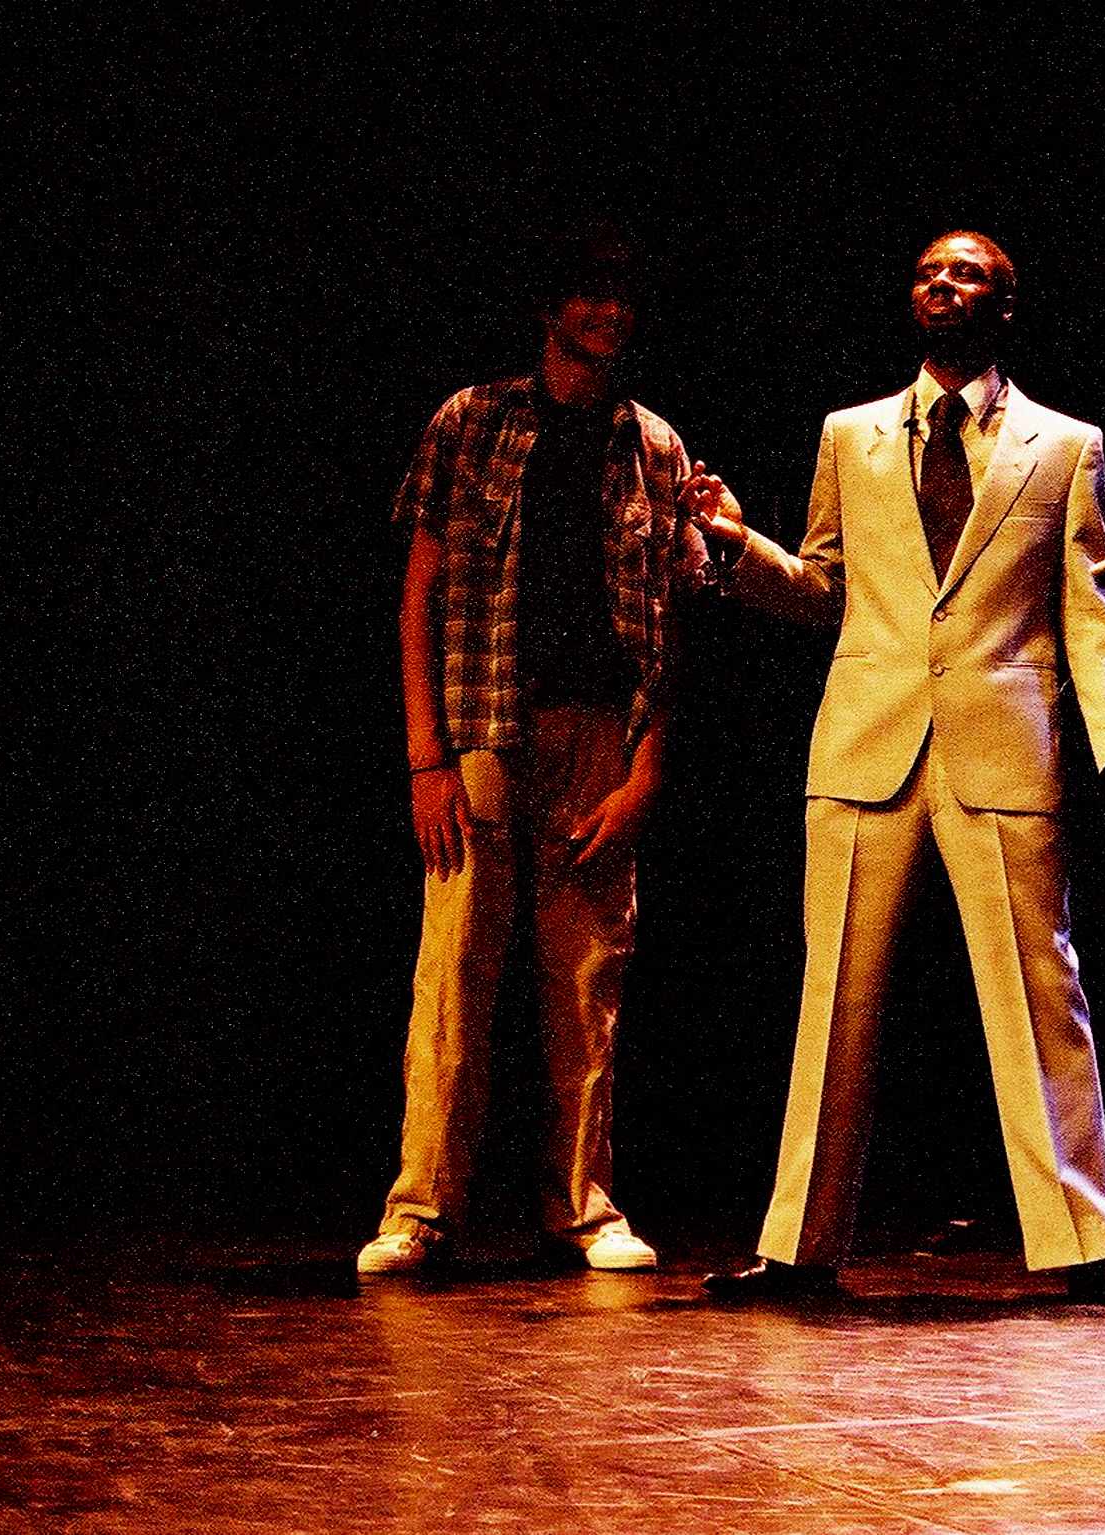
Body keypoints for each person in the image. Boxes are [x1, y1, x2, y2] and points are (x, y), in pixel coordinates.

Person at [683, 231, 1105, 1309]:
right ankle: (798, 1245)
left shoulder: (1066, 446)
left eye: (967, 275)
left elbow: (1090, 612)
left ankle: (1086, 1240)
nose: (942, 285)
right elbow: (824, 588)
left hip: (1003, 745)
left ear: (1005, 308)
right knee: (833, 997)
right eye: (927, 272)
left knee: (1042, 994)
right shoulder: (850, 434)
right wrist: (737, 546)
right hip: (867, 740)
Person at [356, 224, 709, 1276]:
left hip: (599, 733)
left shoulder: (655, 446)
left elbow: (668, 624)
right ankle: (421, 1208)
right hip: (482, 724)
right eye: (587, 293)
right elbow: (417, 594)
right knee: (455, 972)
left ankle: (584, 1207)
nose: (607, 312)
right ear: (550, 308)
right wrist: (425, 756)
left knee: (588, 982)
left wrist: (648, 771)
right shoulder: (472, 420)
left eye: (620, 296)